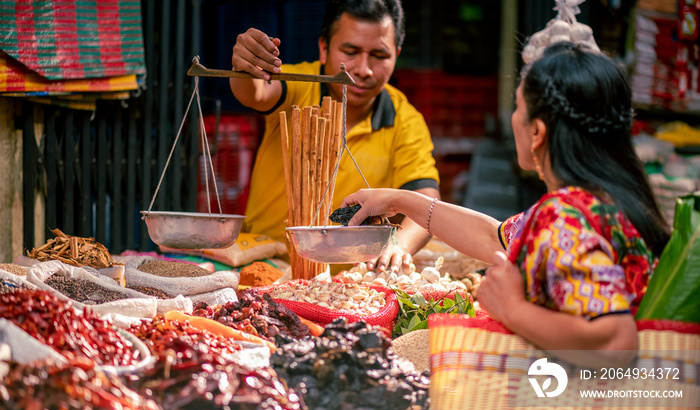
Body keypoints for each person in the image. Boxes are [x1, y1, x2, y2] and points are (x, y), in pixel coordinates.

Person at [341, 41, 670, 360]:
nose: (513, 118)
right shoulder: (609, 201)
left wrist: (512, 310)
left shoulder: (567, 216)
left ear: (537, 132)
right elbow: (494, 237)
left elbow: (614, 341)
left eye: (518, 107)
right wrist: (398, 200)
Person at [229, 0, 440, 273]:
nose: (363, 70)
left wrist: (398, 246)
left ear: (396, 54)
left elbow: (425, 198)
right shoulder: (299, 83)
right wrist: (246, 66)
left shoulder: (405, 120)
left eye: (379, 55)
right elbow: (255, 93)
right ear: (324, 48)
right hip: (263, 263)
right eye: (350, 51)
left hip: (348, 277)